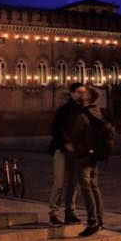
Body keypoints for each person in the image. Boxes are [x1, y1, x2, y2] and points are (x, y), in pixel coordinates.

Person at [70, 86, 113, 237]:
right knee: (94, 188)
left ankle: (92, 222)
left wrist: (70, 144)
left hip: (83, 156)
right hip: (95, 156)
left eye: (85, 93)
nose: (82, 95)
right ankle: (100, 221)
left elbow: (73, 136)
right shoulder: (98, 112)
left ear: (88, 98)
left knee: (86, 189)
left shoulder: (83, 115)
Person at [48, 83, 86, 227]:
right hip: (61, 150)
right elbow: (55, 130)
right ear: (71, 93)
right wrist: (66, 143)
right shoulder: (63, 110)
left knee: (73, 184)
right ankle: (53, 213)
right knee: (59, 182)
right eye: (78, 92)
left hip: (76, 152)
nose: (81, 95)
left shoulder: (84, 110)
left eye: (83, 92)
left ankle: (70, 212)